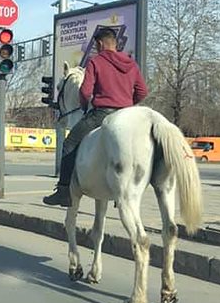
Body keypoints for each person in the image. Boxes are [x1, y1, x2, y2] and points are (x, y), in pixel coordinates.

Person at [43, 28, 149, 207]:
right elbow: (143, 91)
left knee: (69, 144)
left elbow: (85, 91)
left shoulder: (96, 62)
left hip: (102, 114)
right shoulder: (131, 64)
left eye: (96, 46)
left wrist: (85, 106)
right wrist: (128, 105)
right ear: (115, 43)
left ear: (100, 44)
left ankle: (63, 192)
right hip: (126, 115)